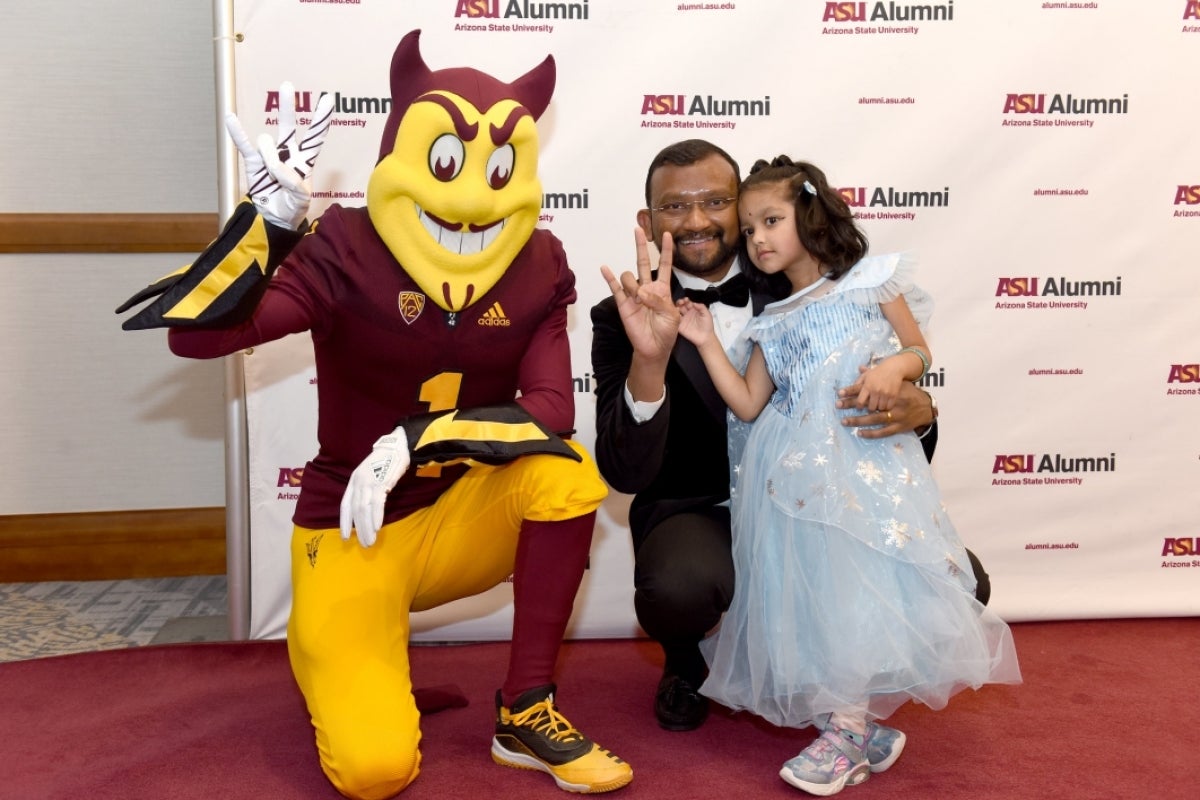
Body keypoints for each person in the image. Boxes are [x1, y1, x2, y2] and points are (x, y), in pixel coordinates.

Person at [116, 31, 631, 798]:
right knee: (375, 770)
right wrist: (267, 227)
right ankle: (350, 651)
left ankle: (525, 709)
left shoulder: (538, 264)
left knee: (566, 476)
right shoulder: (347, 247)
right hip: (350, 531)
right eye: (449, 164)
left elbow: (551, 412)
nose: (468, 201)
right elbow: (197, 338)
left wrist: (416, 440)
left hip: (454, 517)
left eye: (496, 169)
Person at [591, 140, 985, 734]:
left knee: (963, 580)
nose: (697, 220)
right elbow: (625, 472)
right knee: (678, 587)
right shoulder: (622, 314)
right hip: (701, 509)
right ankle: (685, 663)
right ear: (648, 223)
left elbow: (895, 392)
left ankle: (852, 687)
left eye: (717, 202)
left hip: (812, 492)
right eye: (676, 207)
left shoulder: (809, 287)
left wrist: (917, 406)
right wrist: (652, 359)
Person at [673, 155, 1021, 795]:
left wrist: (899, 368)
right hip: (793, 483)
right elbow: (748, 404)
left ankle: (847, 733)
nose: (759, 239)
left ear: (809, 212)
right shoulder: (771, 323)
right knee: (816, 604)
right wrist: (703, 340)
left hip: (861, 469)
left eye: (772, 220)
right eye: (749, 229)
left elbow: (918, 349)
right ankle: (857, 727)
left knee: (859, 592)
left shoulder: (873, 283)